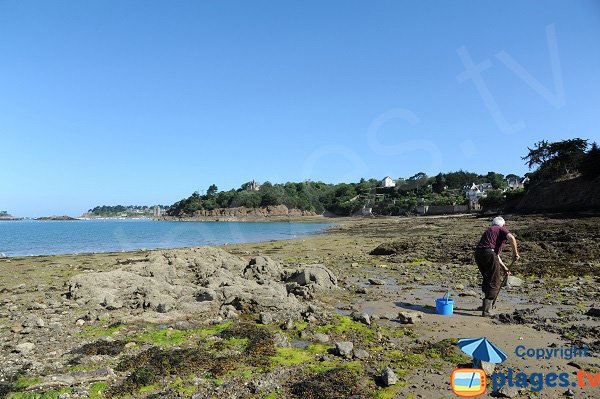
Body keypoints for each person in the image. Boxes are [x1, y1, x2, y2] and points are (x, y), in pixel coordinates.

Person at [474, 216, 520, 317]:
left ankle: (485, 306)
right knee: (494, 281)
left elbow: (495, 254)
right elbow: (512, 238)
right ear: (503, 225)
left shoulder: (489, 230)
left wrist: (504, 268)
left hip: (478, 254)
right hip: (488, 254)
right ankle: (486, 311)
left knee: (488, 278)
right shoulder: (501, 228)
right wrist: (515, 253)